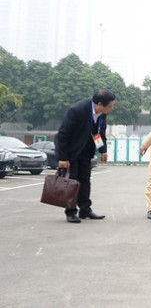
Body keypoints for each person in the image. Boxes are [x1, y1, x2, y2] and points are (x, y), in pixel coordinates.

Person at [55, 89, 115, 223]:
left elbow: (99, 132)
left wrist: (103, 150)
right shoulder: (77, 110)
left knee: (85, 180)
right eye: (110, 106)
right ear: (99, 104)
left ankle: (85, 209)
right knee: (72, 181)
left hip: (86, 150)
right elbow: (63, 134)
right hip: (72, 150)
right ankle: (70, 211)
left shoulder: (102, 114)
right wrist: (62, 158)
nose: (112, 108)